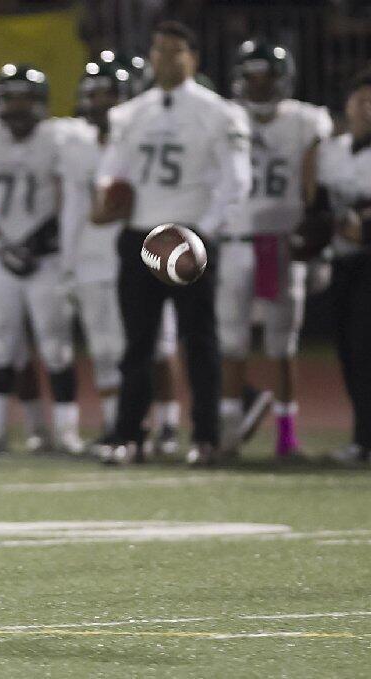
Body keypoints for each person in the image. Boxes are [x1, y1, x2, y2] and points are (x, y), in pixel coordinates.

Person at [93, 21, 251, 465]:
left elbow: (236, 181)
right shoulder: (130, 113)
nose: (165, 58)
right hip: (140, 234)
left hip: (191, 236)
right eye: (159, 50)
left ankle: (205, 436)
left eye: (175, 51)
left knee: (200, 341)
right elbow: (111, 171)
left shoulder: (219, 113)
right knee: (138, 344)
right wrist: (108, 195)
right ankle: (128, 435)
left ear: (193, 58)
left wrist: (202, 231)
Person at [217, 40, 333, 459]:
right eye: (252, 77)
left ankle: (286, 436)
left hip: (285, 242)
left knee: (283, 344)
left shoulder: (305, 121)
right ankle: (228, 432)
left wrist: (317, 241)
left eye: (266, 78)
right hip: (234, 240)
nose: (259, 86)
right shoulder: (225, 117)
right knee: (230, 341)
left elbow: (314, 180)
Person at [65, 53, 185, 453]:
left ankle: (168, 424)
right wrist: (70, 262)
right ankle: (120, 424)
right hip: (93, 258)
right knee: (104, 349)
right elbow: (72, 210)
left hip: (143, 251)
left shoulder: (147, 137)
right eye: (93, 93)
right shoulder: (75, 144)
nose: (100, 101)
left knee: (158, 345)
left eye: (108, 93)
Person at [0, 63, 82, 454]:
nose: (16, 106)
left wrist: (35, 245)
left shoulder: (60, 139)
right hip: (1, 259)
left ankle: (67, 432)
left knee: (56, 347)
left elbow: (67, 202)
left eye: (24, 98)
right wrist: (2, 247)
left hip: (47, 258)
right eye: (10, 98)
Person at [297, 67, 371, 464]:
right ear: (348, 106)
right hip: (343, 263)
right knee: (349, 351)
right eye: (362, 100)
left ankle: (364, 439)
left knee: (363, 345)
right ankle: (362, 438)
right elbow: (318, 207)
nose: (368, 108)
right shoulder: (332, 151)